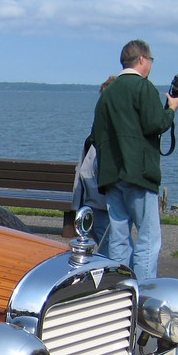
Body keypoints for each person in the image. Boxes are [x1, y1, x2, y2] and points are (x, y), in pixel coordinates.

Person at [91, 40, 178, 280]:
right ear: (142, 59)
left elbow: (97, 135)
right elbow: (156, 124)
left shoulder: (107, 94)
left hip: (112, 175)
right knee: (147, 238)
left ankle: (119, 290)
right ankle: (143, 292)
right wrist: (171, 109)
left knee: (119, 240)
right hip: (139, 174)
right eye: (150, 60)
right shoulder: (143, 88)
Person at [71, 76, 116, 248]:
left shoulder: (97, 134)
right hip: (99, 202)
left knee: (110, 246)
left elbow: (84, 172)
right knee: (112, 245)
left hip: (94, 201)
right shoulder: (101, 135)